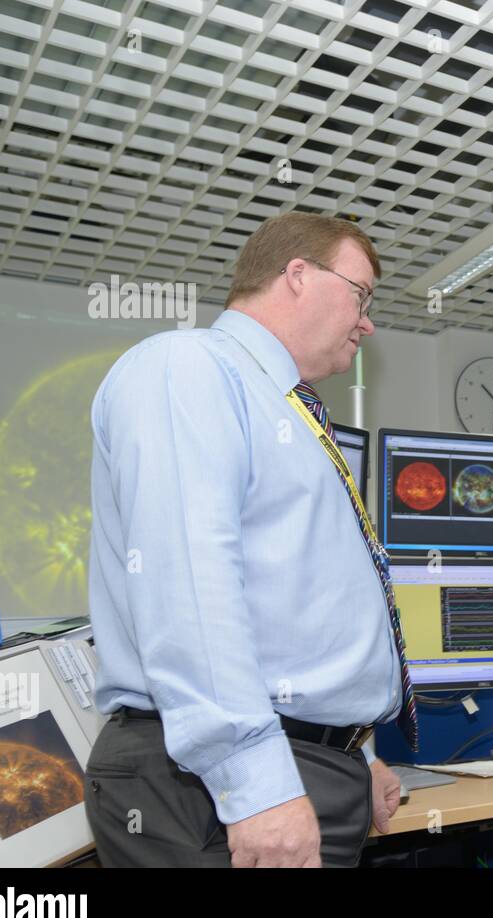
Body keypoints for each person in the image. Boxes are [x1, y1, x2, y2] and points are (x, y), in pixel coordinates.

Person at [84, 212, 416, 867]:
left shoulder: (286, 411)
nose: (368, 320)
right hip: (211, 781)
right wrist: (254, 783)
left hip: (304, 763)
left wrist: (357, 751)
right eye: (362, 293)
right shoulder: (188, 367)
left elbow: (298, 608)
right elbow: (191, 583)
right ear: (298, 274)